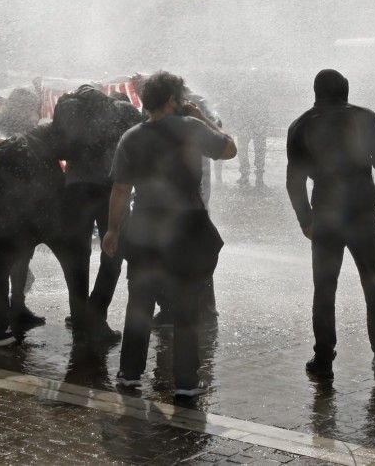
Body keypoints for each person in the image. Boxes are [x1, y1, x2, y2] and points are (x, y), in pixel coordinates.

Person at [102, 71, 237, 399]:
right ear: (172, 100)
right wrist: (203, 117)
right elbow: (230, 150)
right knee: (187, 303)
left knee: (140, 301)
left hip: (145, 227)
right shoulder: (192, 128)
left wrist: (112, 230)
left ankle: (130, 373)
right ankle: (187, 381)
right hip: (186, 227)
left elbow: (120, 190)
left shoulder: (131, 137)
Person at [286, 69, 375, 379]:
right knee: (373, 283)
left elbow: (294, 181)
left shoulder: (301, 125)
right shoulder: (365, 118)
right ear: (345, 91)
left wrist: (305, 219)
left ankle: (324, 360)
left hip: (326, 216)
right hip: (362, 213)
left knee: (324, 288)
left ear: (316, 92)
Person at [51, 84, 143, 340]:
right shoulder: (123, 109)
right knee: (115, 251)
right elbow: (138, 140)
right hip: (111, 189)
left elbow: (59, 150)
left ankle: (80, 317)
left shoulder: (67, 107)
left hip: (76, 188)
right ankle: (96, 312)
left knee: (77, 256)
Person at [0, 123, 66, 348]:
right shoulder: (25, 146)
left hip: (24, 220)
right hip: (51, 218)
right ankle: (19, 310)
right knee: (20, 260)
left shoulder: (3, 154)